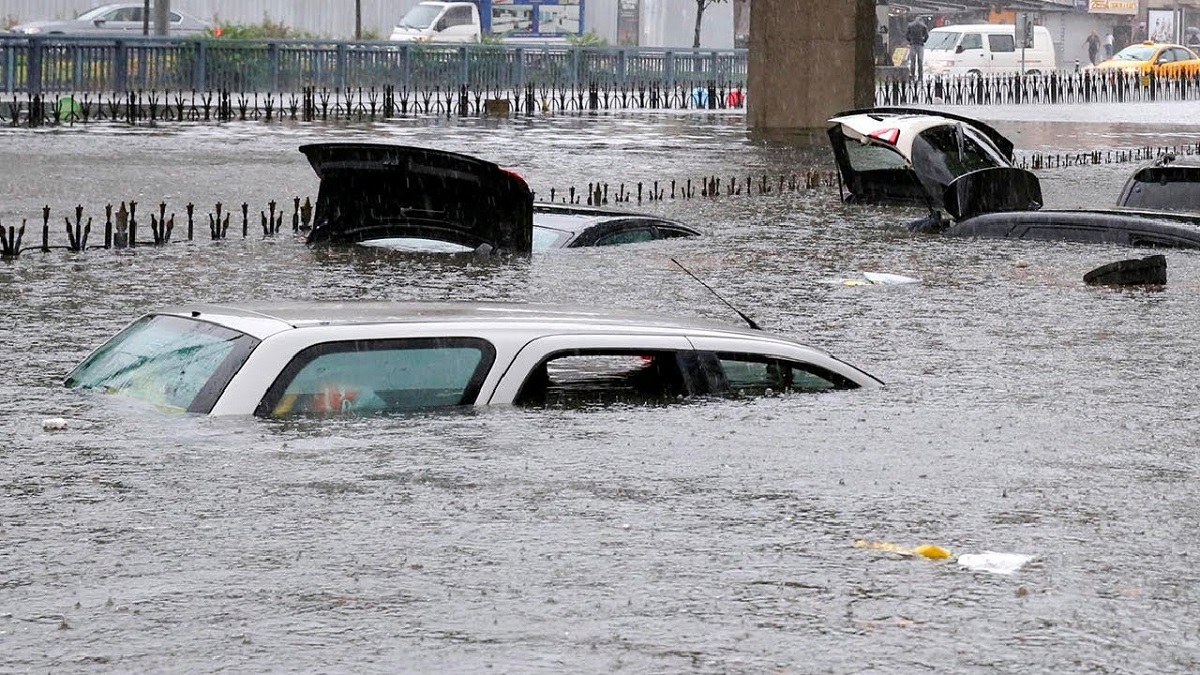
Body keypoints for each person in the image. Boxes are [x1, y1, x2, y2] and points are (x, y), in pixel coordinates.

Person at [905, 17, 929, 81]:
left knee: (913, 61)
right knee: (920, 61)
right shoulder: (923, 26)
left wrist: (910, 40)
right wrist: (924, 40)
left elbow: (907, 35)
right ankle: (920, 76)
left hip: (913, 44)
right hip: (920, 44)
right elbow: (926, 36)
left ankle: (912, 75)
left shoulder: (910, 25)